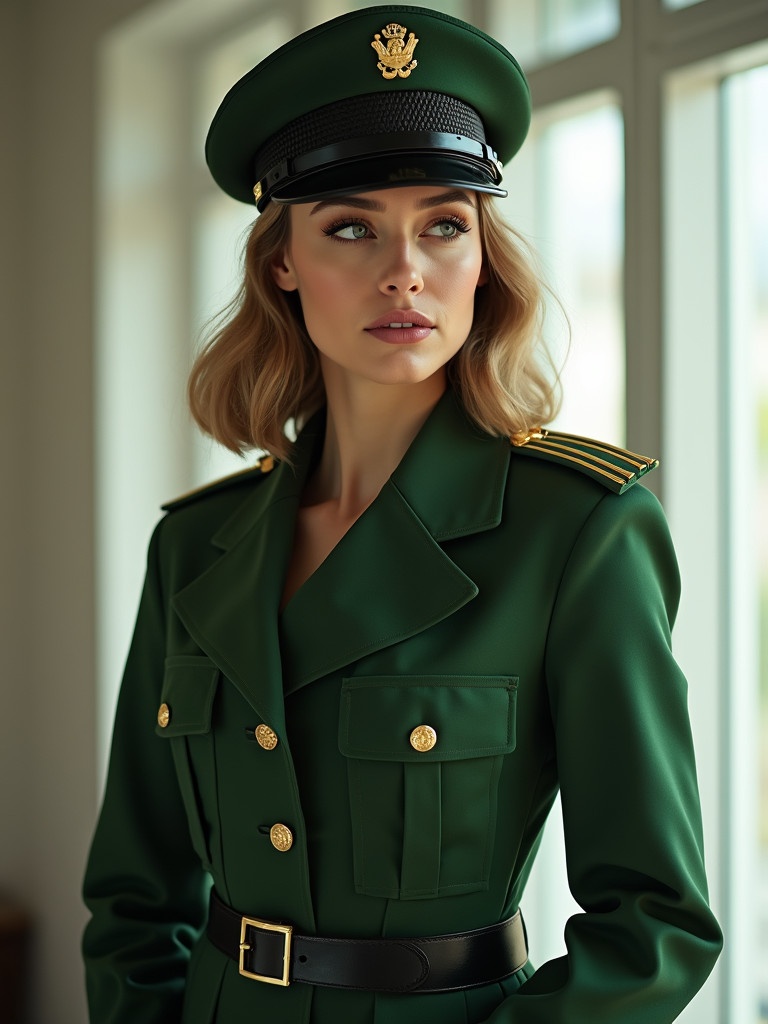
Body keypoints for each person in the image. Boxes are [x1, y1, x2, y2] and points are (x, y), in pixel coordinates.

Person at [82, 6, 723, 1023]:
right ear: (280, 262)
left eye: (443, 224)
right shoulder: (195, 544)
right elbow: (133, 895)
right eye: (350, 227)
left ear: (480, 256)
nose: (404, 270)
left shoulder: (579, 532)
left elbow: (655, 926)